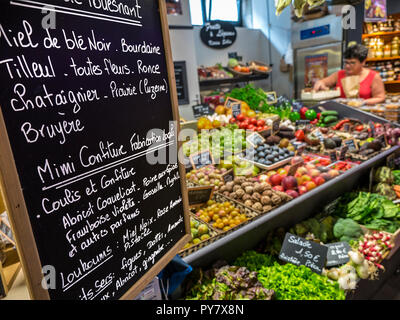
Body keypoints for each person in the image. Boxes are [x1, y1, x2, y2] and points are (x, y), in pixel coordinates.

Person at [313, 44, 386, 105]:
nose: (347, 66)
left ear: (363, 62)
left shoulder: (373, 76)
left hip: (365, 115)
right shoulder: (339, 74)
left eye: (352, 63)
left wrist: (362, 102)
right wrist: (320, 84)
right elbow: (322, 82)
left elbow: (380, 98)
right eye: (346, 62)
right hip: (341, 115)